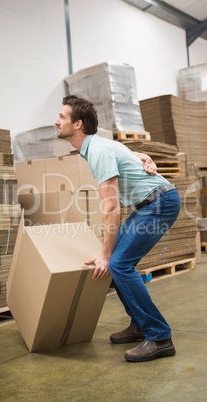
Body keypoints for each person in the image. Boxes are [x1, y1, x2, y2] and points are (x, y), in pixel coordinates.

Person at [55, 95, 181, 363]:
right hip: (148, 204)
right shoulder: (97, 146)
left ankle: (160, 337)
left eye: (62, 117)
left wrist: (104, 254)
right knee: (117, 263)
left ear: (78, 124)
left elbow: (112, 208)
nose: (56, 121)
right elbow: (132, 155)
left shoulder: (98, 150)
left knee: (119, 263)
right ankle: (139, 325)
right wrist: (144, 157)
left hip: (159, 203)